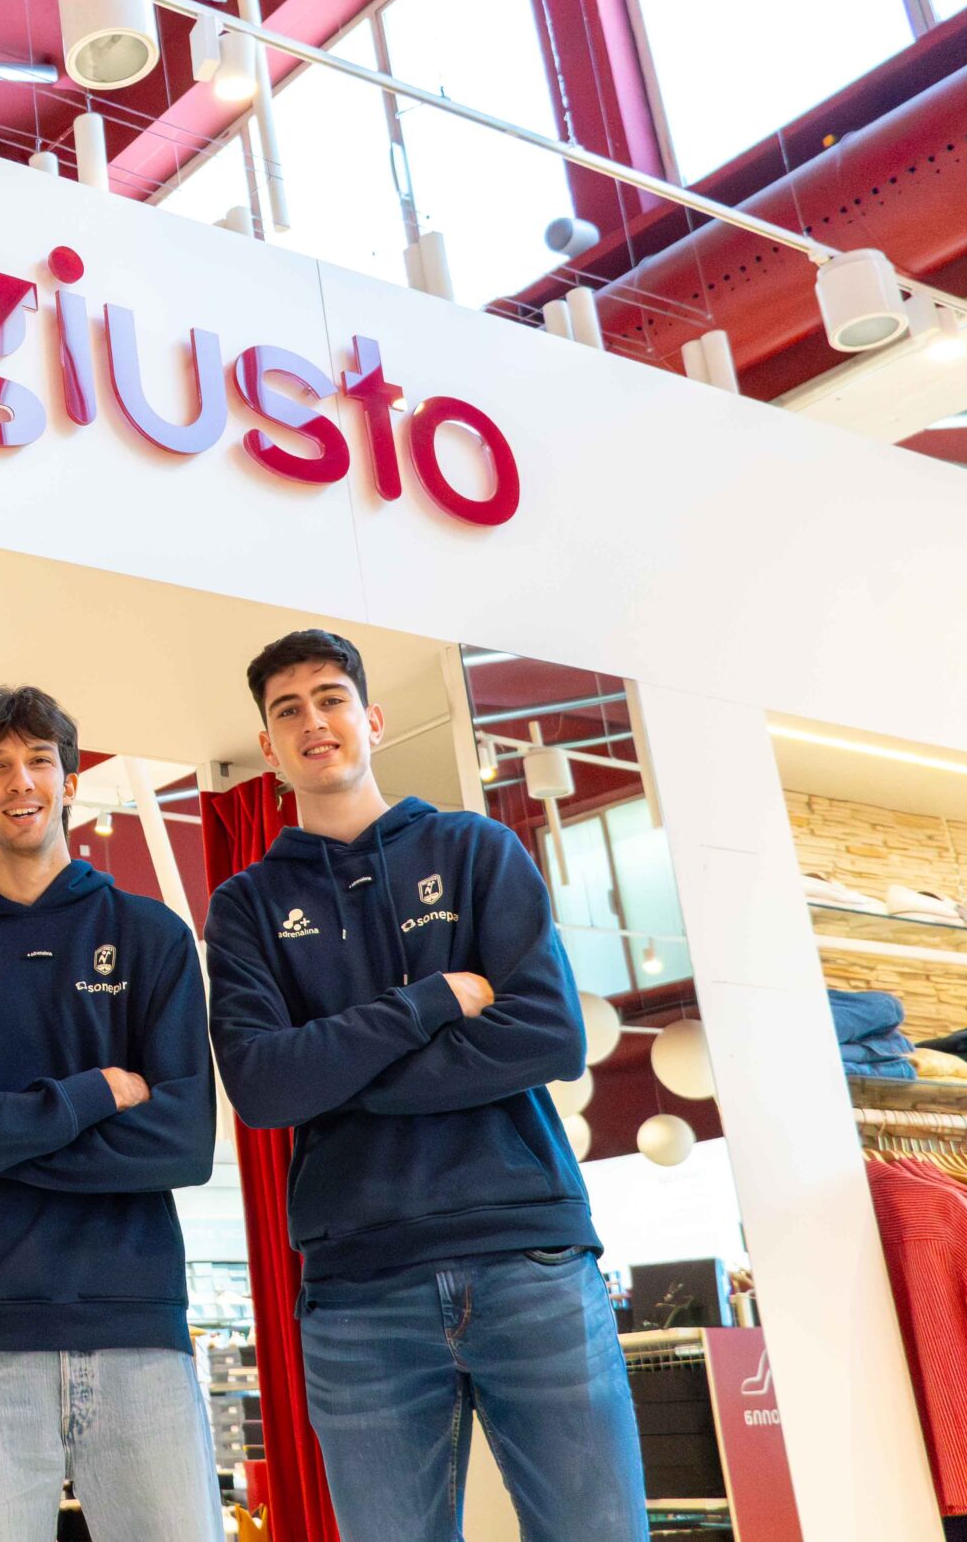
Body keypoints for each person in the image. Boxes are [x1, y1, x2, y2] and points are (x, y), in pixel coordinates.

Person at [203, 628, 647, 1542]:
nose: (313, 721)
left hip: (528, 1257)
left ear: (371, 719)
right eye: (288, 710)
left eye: (330, 698)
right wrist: (431, 1002)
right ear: (269, 748)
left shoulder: (477, 849)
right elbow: (265, 1087)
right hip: (359, 1290)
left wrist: (338, 1072)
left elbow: (549, 1037)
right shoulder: (247, 906)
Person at [0, 685, 221, 1542]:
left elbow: (184, 1141)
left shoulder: (151, 936)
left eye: (39, 760)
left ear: (71, 779)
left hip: (137, 1326)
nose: (20, 781)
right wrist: (93, 1095)